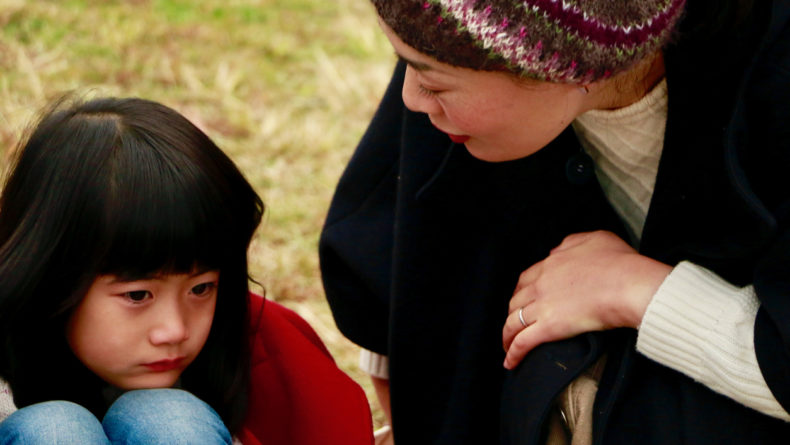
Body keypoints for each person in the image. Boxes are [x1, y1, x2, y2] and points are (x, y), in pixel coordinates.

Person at [319, 0, 790, 443]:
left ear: (574, 62)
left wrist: (642, 292)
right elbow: (390, 271)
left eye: (434, 83)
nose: (411, 100)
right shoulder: (463, 37)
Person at [0, 97, 373, 444]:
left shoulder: (272, 353)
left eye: (201, 288)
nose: (175, 331)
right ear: (52, 277)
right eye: (137, 295)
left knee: (168, 416)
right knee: (52, 428)